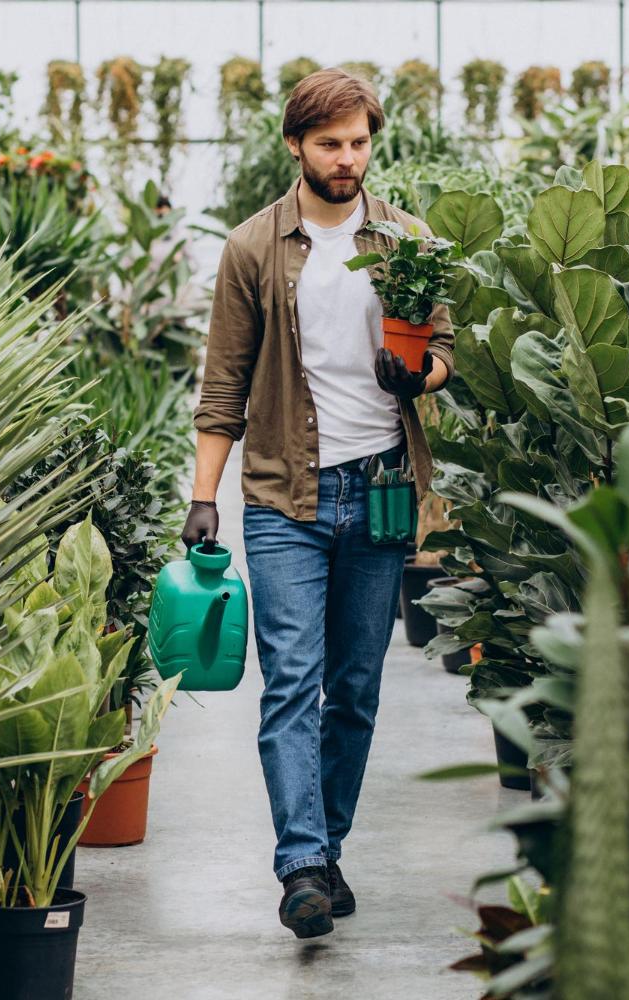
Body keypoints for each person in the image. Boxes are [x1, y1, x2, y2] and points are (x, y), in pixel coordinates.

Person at [186, 68, 455, 940]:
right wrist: (203, 497)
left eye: (359, 142)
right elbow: (222, 383)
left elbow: (444, 346)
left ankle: (325, 846)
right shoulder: (253, 248)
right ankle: (300, 862)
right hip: (282, 497)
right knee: (292, 683)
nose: (348, 159)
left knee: (356, 688)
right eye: (331, 143)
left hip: (379, 492)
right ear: (297, 146)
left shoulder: (407, 240)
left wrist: (420, 371)